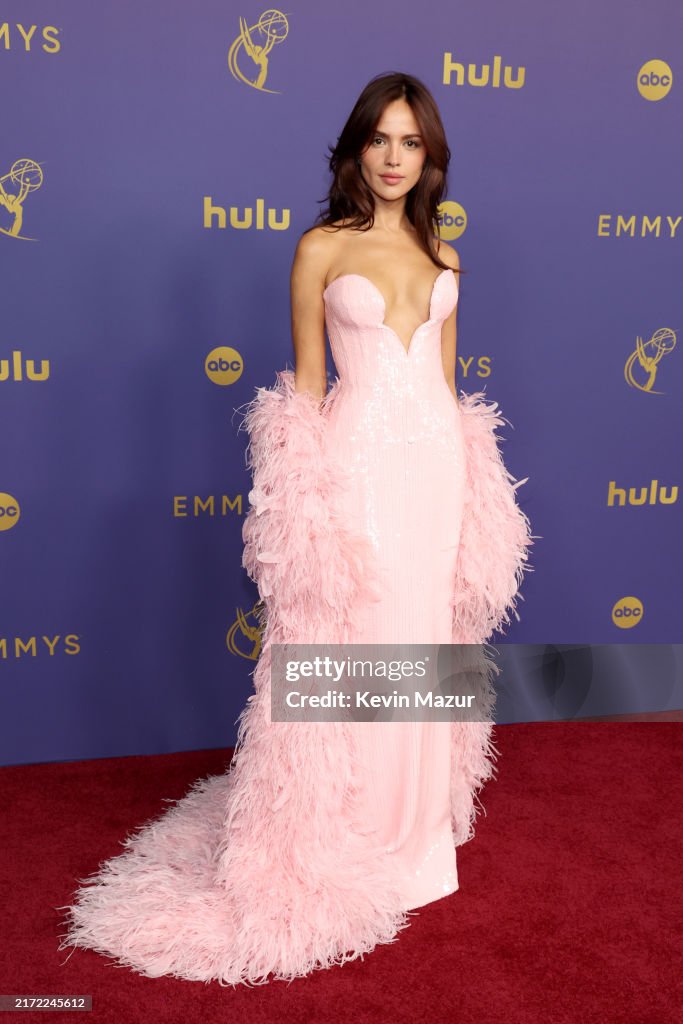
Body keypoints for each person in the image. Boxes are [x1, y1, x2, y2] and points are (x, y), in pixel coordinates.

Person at [56, 71, 533, 987]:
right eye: (379, 141)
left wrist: (474, 488)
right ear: (356, 148)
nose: (394, 158)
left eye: (411, 144)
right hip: (353, 468)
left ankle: (418, 841)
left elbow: (446, 386)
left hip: (435, 469)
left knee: (426, 634)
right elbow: (307, 388)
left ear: (429, 157)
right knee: (352, 627)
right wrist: (295, 504)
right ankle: (341, 830)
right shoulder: (319, 248)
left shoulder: (446, 260)